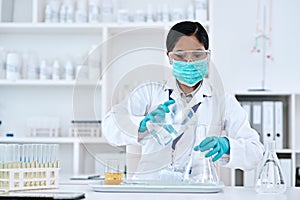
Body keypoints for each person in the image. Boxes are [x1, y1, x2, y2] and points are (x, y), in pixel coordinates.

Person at [103, 21, 264, 180]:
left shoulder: (223, 101)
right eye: (180, 55)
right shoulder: (149, 92)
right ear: (170, 57)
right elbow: (110, 128)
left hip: (198, 187)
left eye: (197, 55)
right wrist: (141, 125)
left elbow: (255, 152)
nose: (189, 62)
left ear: (207, 56)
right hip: (150, 187)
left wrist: (228, 146)